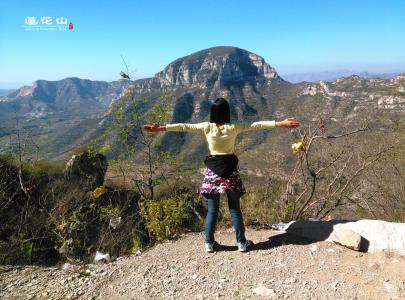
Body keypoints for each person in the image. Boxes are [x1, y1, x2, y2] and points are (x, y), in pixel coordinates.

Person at [143, 98, 300, 253]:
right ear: (227, 113)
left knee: (212, 210)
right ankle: (241, 243)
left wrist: (160, 128)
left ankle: (209, 244)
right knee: (234, 209)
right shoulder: (233, 127)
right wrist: (280, 123)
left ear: (212, 112)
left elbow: (183, 127)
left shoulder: (206, 127)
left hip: (212, 172)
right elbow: (256, 125)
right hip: (230, 171)